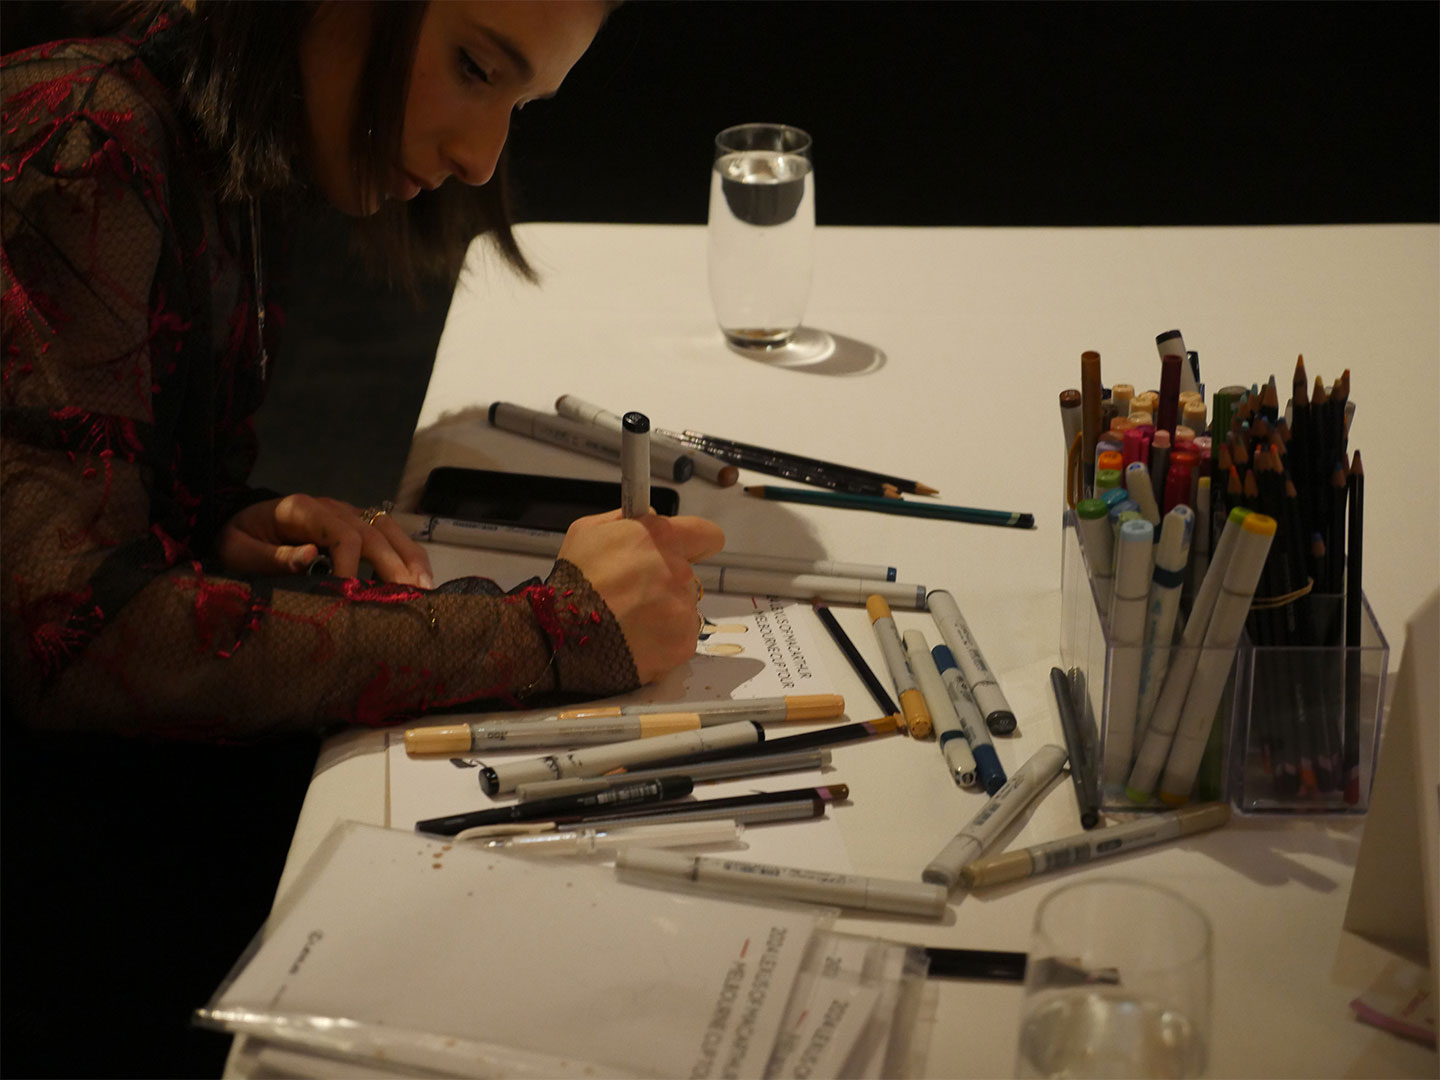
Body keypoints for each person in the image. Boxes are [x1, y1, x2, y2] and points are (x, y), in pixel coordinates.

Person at [0, 2, 721, 1074]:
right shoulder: (86, 138)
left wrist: (209, 520)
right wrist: (551, 631)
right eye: (475, 67)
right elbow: (70, 640)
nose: (482, 159)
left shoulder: (228, 116)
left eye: (521, 105)